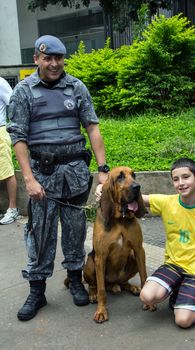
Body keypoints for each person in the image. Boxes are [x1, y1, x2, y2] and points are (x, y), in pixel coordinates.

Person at [7, 35, 110, 321]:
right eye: (47, 58)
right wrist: (28, 178)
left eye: (58, 58)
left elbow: (92, 127)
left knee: (76, 229)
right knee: (40, 233)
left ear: (63, 59)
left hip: (75, 173)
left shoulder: (76, 87)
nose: (53, 64)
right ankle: (37, 291)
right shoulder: (24, 92)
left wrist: (103, 170)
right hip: (42, 174)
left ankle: (76, 280)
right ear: (37, 60)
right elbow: (18, 137)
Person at [139, 157, 195, 329]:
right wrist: (102, 188)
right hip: (173, 265)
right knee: (147, 296)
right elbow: (135, 196)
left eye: (186, 177)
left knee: (183, 321)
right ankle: (178, 287)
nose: (181, 183)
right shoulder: (166, 203)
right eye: (176, 179)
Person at [0, 77, 20, 225]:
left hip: (0, 131)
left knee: (6, 171)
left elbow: (14, 105)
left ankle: (13, 209)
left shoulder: (0, 82)